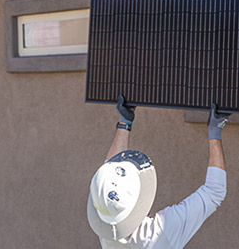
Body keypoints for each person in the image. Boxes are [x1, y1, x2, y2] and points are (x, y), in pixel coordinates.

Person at [87, 95, 229, 248]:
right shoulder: (160, 233)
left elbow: (109, 176)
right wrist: (215, 132)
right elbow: (214, 191)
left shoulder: (107, 224)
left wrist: (124, 123)